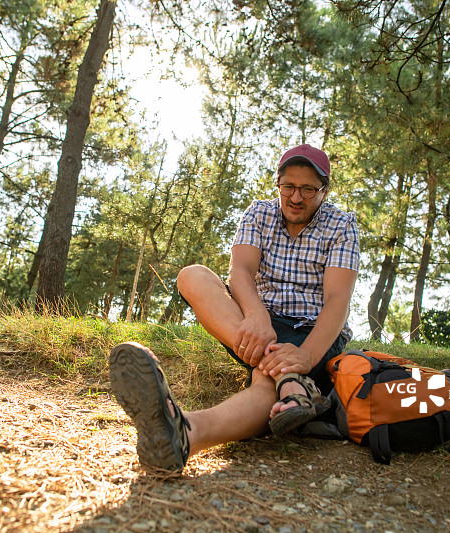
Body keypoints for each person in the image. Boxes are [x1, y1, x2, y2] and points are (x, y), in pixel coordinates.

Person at [109, 144, 360, 472]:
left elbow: (337, 299)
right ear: (278, 184)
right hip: (260, 325)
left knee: (264, 381)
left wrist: (306, 357)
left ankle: (188, 431)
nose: (296, 197)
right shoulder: (259, 213)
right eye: (289, 187)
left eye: (308, 189)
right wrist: (256, 315)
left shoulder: (342, 225)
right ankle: (294, 385)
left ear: (324, 191)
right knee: (192, 276)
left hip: (313, 333)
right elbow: (240, 271)